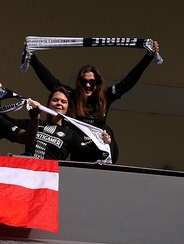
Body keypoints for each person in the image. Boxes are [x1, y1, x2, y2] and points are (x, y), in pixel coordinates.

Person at [28, 41, 160, 163]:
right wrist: (31, 58)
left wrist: (148, 56)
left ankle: (106, 162)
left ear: (98, 83)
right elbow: (50, 82)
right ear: (79, 83)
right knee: (71, 135)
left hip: (100, 145)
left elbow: (128, 82)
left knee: (105, 129)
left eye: (92, 82)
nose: (88, 85)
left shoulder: (105, 96)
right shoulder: (72, 96)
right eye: (84, 81)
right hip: (80, 147)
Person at [21, 86, 111, 162]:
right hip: (26, 171)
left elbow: (88, 154)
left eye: (63, 101)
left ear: (68, 109)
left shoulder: (71, 135)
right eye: (55, 100)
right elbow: (8, 126)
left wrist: (102, 143)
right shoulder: (33, 123)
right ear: (49, 104)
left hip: (49, 175)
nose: (58, 103)